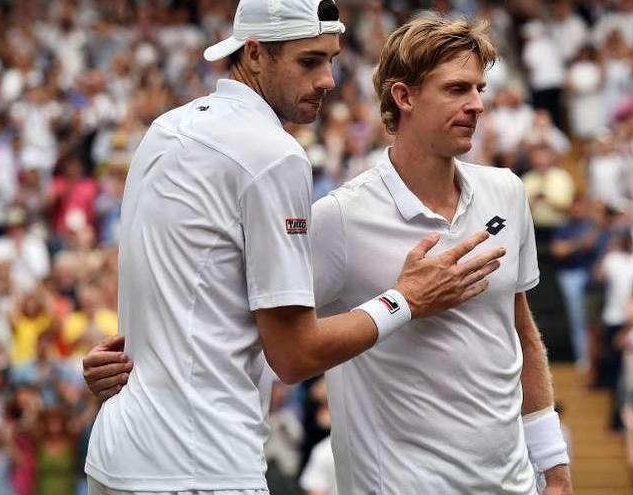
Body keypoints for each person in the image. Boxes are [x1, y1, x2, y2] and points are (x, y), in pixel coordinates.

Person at [85, 14, 572, 495]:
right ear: (254, 54)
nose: (328, 79)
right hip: (205, 467)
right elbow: (290, 351)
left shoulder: (167, 130)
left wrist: (553, 465)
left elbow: (522, 335)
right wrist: (405, 300)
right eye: (310, 61)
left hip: (137, 454)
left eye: (479, 89)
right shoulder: (324, 205)